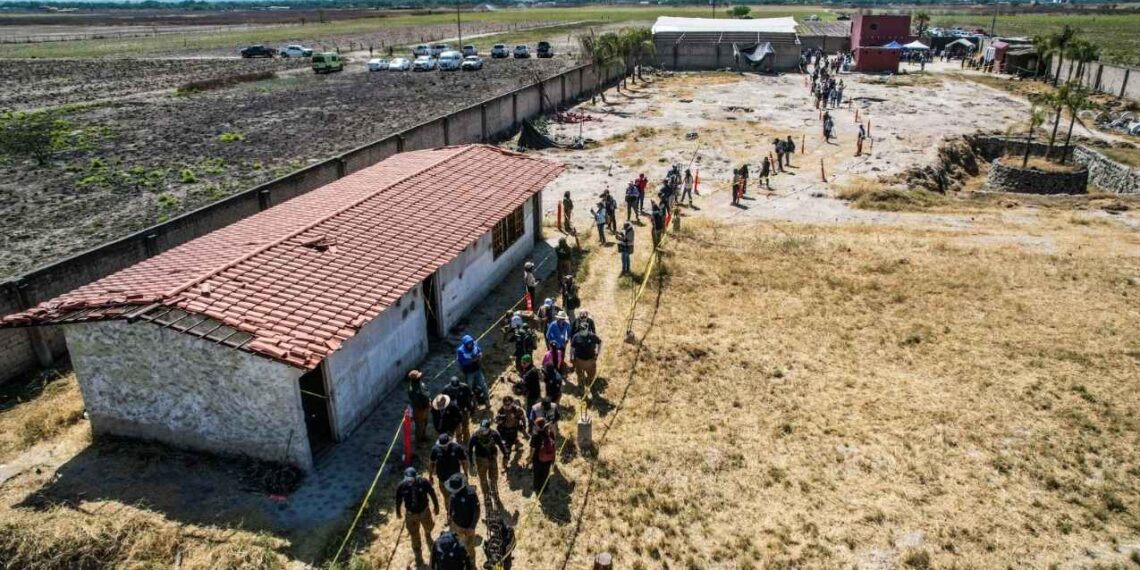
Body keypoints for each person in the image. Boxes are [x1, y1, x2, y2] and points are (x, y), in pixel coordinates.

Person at [396, 467, 439, 566]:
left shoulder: (423, 482)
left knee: (429, 526)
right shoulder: (402, 486)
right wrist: (398, 511)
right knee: (414, 536)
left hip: (424, 511)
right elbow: (398, 499)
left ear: (416, 476)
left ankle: (428, 534)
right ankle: (418, 558)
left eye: (411, 479)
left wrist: (436, 506)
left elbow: (432, 493)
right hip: (411, 515)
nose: (409, 481)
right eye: (407, 479)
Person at [444, 473, 480, 565]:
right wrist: (449, 516)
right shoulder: (453, 494)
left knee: (470, 548)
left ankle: (472, 565)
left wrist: (472, 527)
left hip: (468, 527)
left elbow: (476, 511)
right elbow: (451, 504)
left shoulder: (471, 494)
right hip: (456, 525)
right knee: (455, 545)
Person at [468, 419, 508, 499]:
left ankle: (494, 491)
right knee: (483, 479)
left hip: (492, 458)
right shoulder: (475, 436)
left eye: (485, 429)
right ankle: (486, 494)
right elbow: (470, 450)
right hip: (481, 460)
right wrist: (471, 463)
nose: (483, 431)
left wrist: (505, 454)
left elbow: (500, 445)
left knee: (493, 478)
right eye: (482, 428)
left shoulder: (494, 434)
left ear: (489, 428)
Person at [429, 432, 468, 502]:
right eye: (442, 446)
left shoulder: (456, 448)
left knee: (458, 498)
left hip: (456, 479)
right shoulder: (435, 449)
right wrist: (430, 475)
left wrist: (465, 473)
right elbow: (431, 463)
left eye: (446, 445)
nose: (444, 447)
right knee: (447, 499)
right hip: (443, 480)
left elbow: (464, 461)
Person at [455, 337, 488, 407]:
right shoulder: (461, 351)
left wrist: (480, 354)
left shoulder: (475, 345)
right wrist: (472, 360)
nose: (470, 345)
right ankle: (473, 402)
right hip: (468, 372)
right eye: (468, 344)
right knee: (469, 387)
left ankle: (487, 399)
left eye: (471, 343)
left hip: (477, 369)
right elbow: (462, 362)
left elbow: (479, 350)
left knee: (483, 384)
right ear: (465, 344)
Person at [442, 376, 476, 441]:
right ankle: (459, 441)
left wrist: (472, 409)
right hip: (453, 413)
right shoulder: (446, 389)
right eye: (453, 388)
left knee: (465, 425)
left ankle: (466, 438)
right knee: (457, 428)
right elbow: (442, 400)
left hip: (464, 410)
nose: (455, 389)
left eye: (457, 387)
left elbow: (472, 397)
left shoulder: (465, 387)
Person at [570, 322, 602, 388]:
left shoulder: (592, 336)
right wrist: (571, 357)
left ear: (587, 329)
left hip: (590, 360)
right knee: (579, 375)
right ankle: (581, 386)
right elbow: (572, 348)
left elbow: (600, 342)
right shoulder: (576, 336)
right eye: (581, 329)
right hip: (579, 360)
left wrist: (598, 352)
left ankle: (588, 385)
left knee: (591, 375)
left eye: (583, 329)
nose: (582, 330)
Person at [529, 417, 557, 492]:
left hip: (537, 459)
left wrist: (530, 459)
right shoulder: (550, 433)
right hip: (548, 458)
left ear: (538, 427)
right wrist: (553, 458)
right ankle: (545, 488)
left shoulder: (535, 436)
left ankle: (537, 488)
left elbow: (532, 450)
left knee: (537, 474)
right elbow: (554, 446)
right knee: (546, 473)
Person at [405, 370, 431, 443]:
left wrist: (428, 401)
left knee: (425, 422)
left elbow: (426, 393)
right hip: (419, 409)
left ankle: (424, 436)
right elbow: (416, 400)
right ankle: (419, 441)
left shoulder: (420, 384)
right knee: (419, 425)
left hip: (424, 407)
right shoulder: (412, 389)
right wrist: (423, 405)